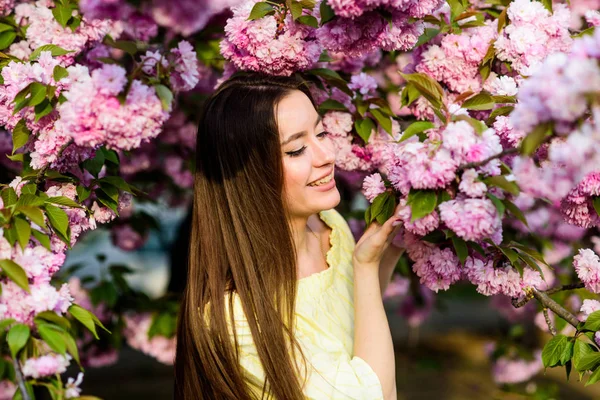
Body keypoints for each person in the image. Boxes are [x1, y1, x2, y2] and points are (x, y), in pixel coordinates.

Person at [174, 72, 404, 399]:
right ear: (249, 174)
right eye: (296, 150)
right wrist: (364, 268)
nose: (326, 155)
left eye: (321, 132)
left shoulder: (328, 226)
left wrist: (391, 247)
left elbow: (357, 322)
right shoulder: (236, 316)